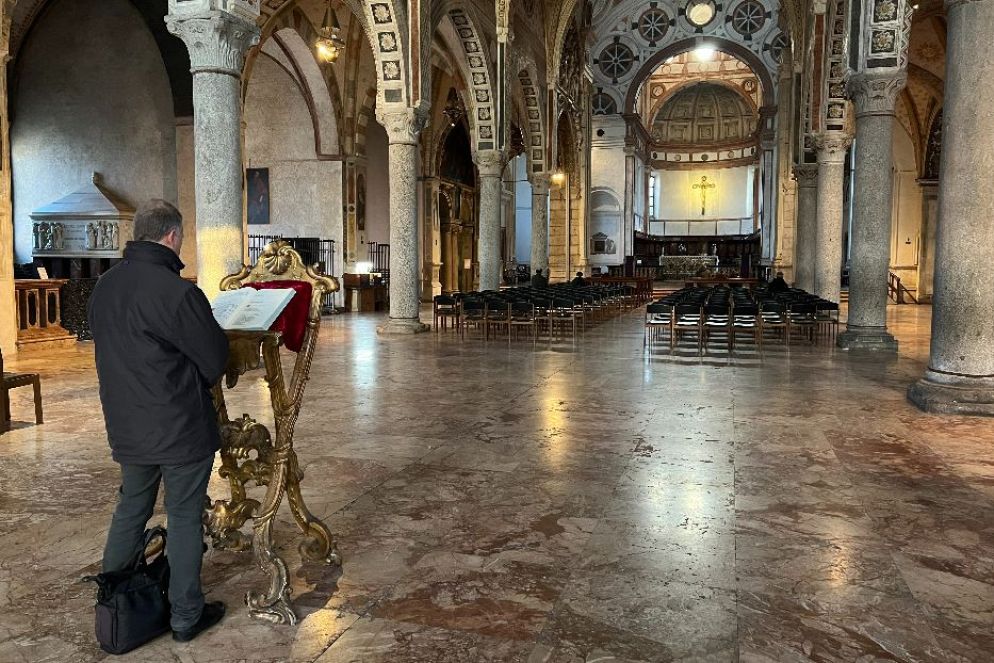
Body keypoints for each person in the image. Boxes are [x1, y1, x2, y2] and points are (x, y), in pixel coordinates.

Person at [88, 200, 230, 643]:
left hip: (127, 425)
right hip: (179, 426)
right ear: (172, 235)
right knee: (184, 515)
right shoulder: (178, 292)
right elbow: (214, 360)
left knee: (131, 508)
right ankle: (185, 616)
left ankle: (115, 606)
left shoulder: (105, 286)